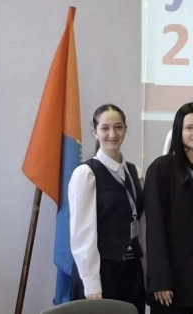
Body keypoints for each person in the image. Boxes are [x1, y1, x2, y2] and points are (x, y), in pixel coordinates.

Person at [69, 104, 145, 314]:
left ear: (125, 129)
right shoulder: (86, 174)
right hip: (101, 274)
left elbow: (141, 225)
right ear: (95, 132)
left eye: (118, 127)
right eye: (105, 128)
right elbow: (82, 234)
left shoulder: (135, 172)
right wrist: (92, 283)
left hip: (131, 271)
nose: (112, 134)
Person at [145, 102, 193, 313]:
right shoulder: (161, 168)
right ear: (178, 130)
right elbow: (155, 228)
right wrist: (160, 279)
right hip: (173, 282)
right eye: (189, 127)